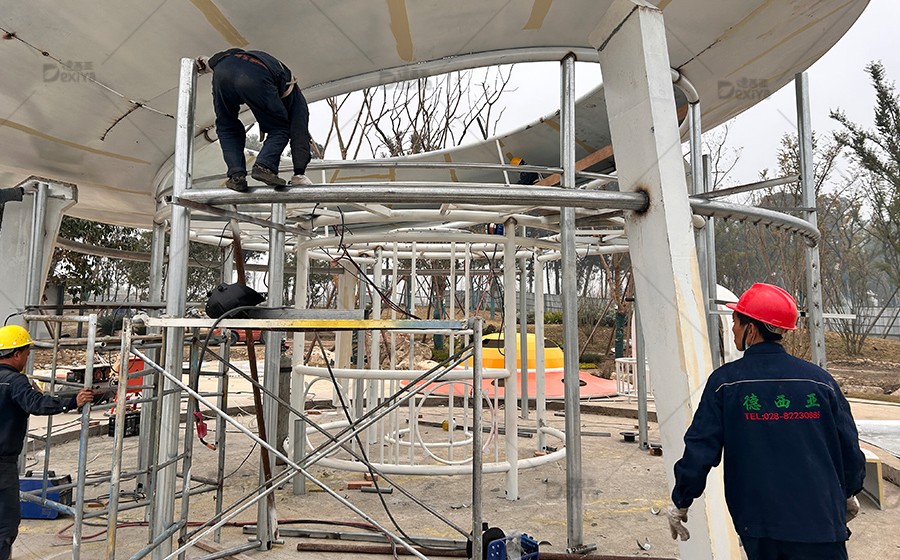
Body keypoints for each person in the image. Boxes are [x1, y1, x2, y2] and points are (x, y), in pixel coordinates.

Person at [667, 283, 865, 560]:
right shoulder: (820, 382)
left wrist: (682, 499)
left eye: (735, 321)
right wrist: (850, 490)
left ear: (752, 328)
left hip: (759, 523)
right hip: (821, 520)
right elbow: (849, 447)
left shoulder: (726, 383)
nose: (733, 329)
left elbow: (700, 448)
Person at [0, 325, 93, 560]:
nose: (27, 358)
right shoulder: (14, 381)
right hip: (2, 464)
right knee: (5, 525)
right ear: (17, 353)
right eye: (26, 353)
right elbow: (37, 404)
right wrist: (72, 401)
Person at [195, 49, 313, 192]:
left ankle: (236, 176)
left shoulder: (239, 55)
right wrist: (299, 173)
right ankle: (264, 166)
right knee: (280, 128)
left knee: (227, 126)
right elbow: (300, 133)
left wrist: (206, 62)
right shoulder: (297, 100)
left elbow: (223, 59)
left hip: (223, 70)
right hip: (256, 74)